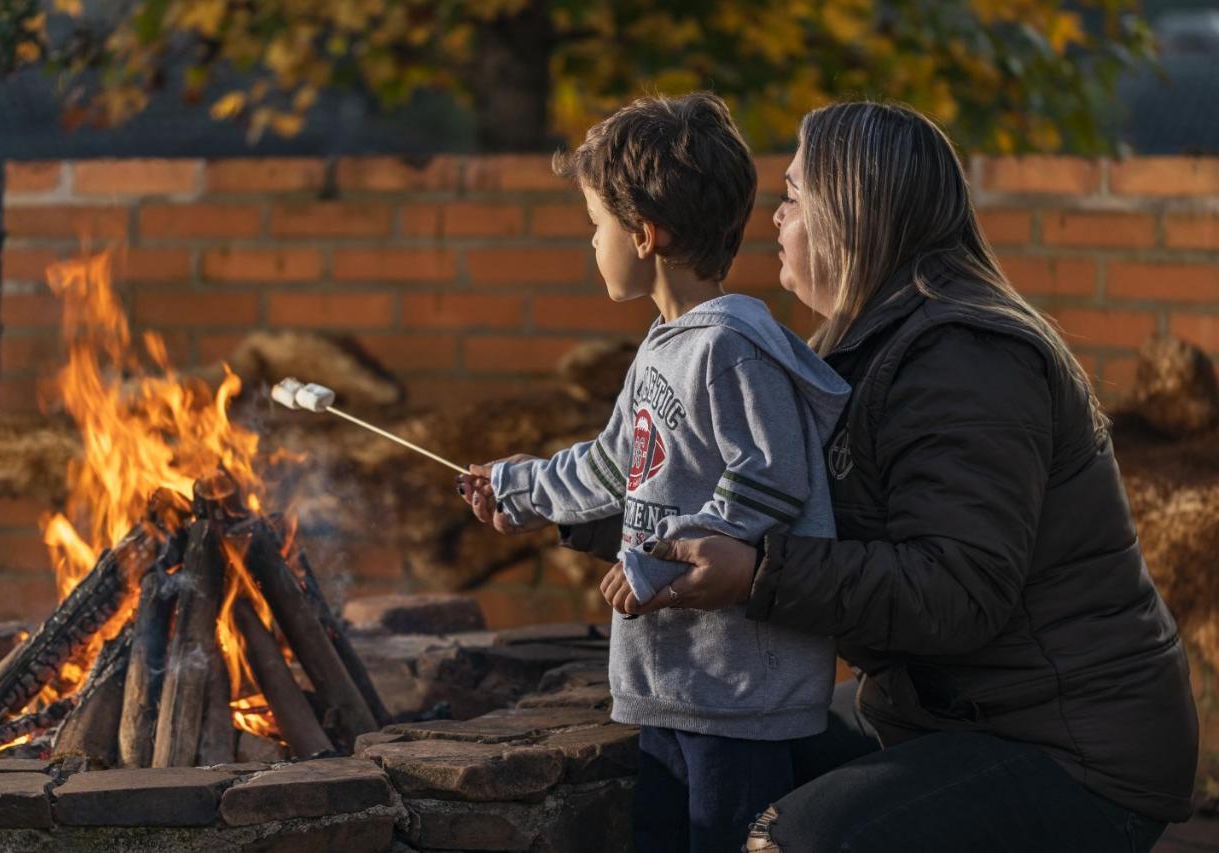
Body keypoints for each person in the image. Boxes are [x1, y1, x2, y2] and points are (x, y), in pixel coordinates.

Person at [570, 101, 1194, 852]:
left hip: (1068, 746)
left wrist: (757, 572)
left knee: (791, 839)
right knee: (717, 743)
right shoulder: (848, 352)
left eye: (796, 196)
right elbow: (743, 509)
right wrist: (577, 514)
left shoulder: (964, 359)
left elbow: (957, 590)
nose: (775, 216)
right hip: (937, 711)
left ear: (852, 212)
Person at [457, 92, 851, 852]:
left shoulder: (731, 347)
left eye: (595, 226)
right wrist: (520, 487)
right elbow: (613, 463)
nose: (592, 244)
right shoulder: (667, 344)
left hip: (737, 692)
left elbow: (771, 478)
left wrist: (657, 560)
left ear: (644, 234)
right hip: (670, 685)